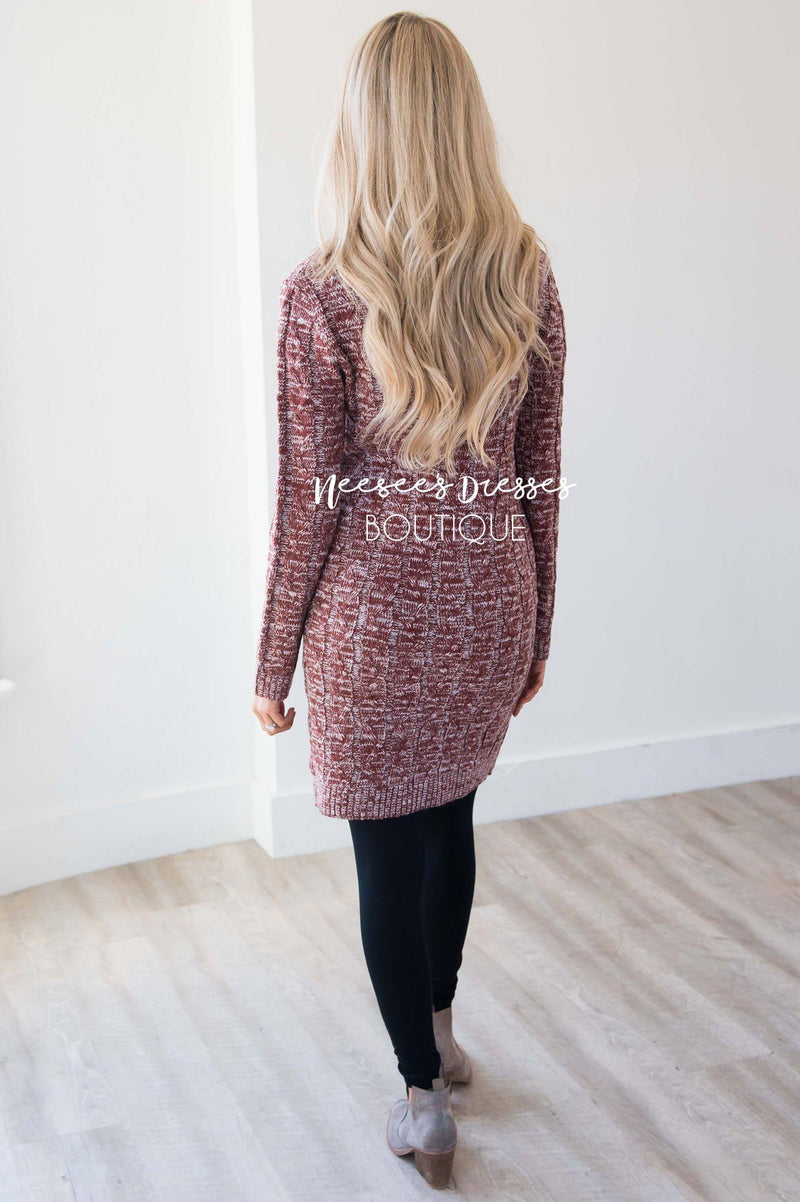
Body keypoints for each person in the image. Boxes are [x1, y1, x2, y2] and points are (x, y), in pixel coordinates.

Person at [252, 11, 567, 1190]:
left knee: (388, 850)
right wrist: (537, 626)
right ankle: (439, 1029)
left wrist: (270, 660)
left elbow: (307, 501)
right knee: (449, 819)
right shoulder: (521, 267)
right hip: (489, 598)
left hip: (370, 623)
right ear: (460, 121)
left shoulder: (321, 291)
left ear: (361, 127)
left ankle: (421, 1098)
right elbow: (539, 469)